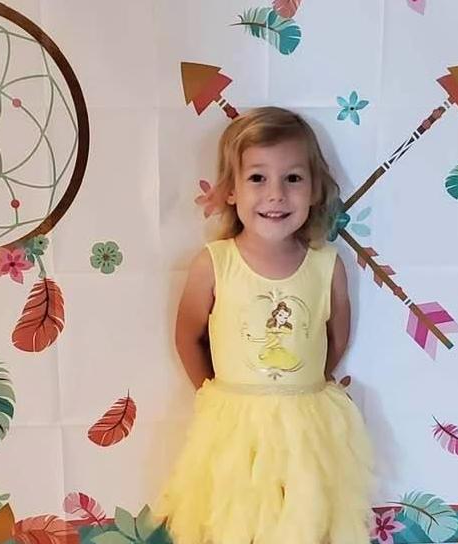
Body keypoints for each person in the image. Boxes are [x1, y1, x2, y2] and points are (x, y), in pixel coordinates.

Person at [154, 106, 373, 544]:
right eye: (257, 178)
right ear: (231, 191)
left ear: (315, 190)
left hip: (306, 424)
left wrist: (306, 386)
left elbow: (336, 336)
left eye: (293, 178)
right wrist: (213, 393)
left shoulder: (326, 265)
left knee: (305, 516)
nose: (276, 194)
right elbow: (188, 335)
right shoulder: (215, 263)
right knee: (235, 519)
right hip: (235, 423)